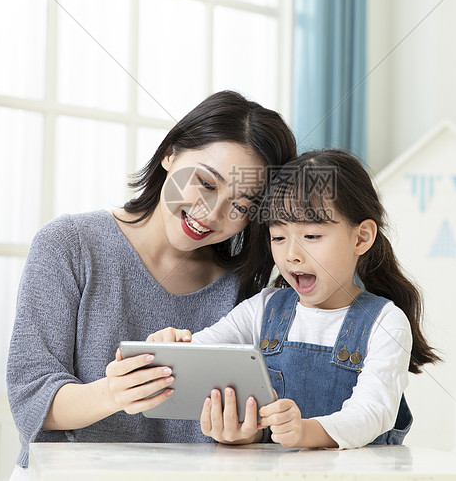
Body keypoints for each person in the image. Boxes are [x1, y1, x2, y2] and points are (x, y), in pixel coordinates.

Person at [6, 90, 297, 477]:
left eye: (241, 206)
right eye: (206, 184)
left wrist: (243, 435)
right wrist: (111, 393)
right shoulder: (69, 244)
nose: (211, 214)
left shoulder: (245, 289)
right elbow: (31, 398)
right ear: (170, 154)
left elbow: (263, 422)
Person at [148, 148, 440, 449]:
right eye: (278, 237)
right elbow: (202, 352)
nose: (291, 255)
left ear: (361, 237)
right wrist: (171, 349)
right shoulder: (263, 309)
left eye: (312, 237)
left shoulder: (385, 322)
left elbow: (371, 413)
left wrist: (305, 431)